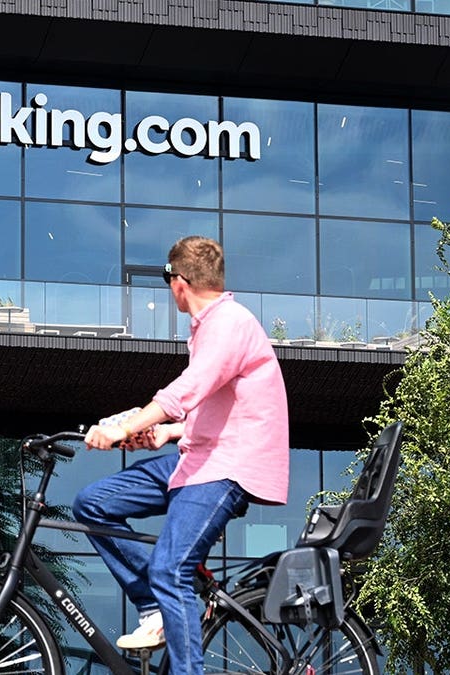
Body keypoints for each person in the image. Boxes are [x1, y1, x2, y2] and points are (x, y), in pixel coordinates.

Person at [74, 235, 289, 674]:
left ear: (179, 282)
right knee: (92, 504)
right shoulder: (210, 327)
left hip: (227, 468)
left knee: (171, 569)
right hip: (198, 457)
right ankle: (154, 607)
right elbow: (218, 407)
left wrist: (123, 426)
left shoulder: (229, 323)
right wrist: (166, 434)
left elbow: (189, 389)